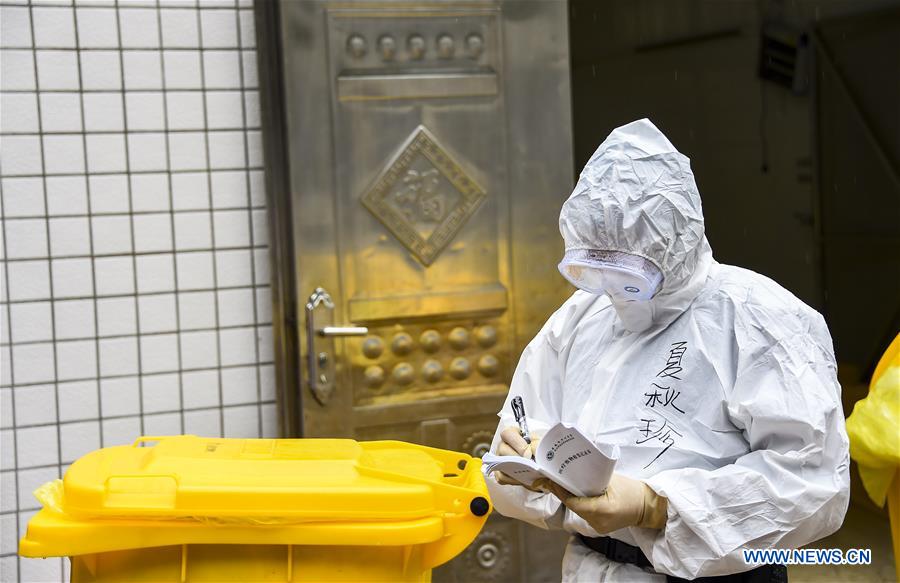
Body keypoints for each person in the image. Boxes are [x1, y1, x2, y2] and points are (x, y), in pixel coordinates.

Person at [486, 119, 850, 582]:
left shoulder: (761, 318)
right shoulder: (581, 317)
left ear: (674, 244)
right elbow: (521, 427)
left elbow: (813, 484)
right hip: (590, 568)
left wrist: (654, 506)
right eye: (593, 268)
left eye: (628, 272)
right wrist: (521, 464)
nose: (612, 291)